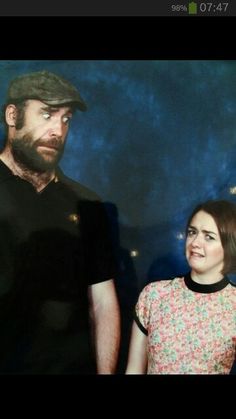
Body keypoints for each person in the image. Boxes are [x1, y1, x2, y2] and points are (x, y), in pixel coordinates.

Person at [0, 70, 120, 374]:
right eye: (47, 114)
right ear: (13, 116)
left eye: (66, 119)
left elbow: (103, 302)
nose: (58, 130)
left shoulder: (86, 203)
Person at [126, 200, 236, 374]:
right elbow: (133, 370)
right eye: (192, 232)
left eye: (209, 236)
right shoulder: (154, 295)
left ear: (229, 246)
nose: (195, 242)